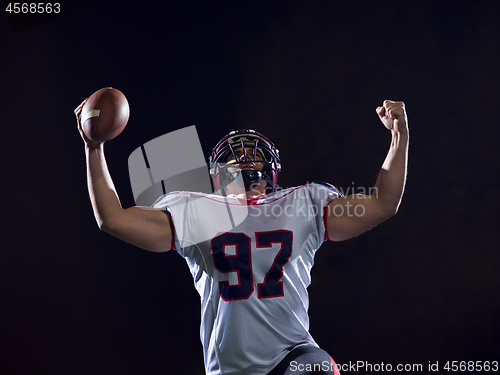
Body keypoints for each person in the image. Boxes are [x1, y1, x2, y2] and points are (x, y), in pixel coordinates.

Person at [74, 99, 409, 375]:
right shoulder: (192, 209)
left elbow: (381, 204)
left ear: (272, 172)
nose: (245, 158)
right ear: (218, 175)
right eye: (234, 156)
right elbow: (113, 219)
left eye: (254, 156)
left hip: (293, 355)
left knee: (318, 368)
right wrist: (94, 148)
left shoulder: (304, 201)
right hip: (230, 369)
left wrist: (399, 137)